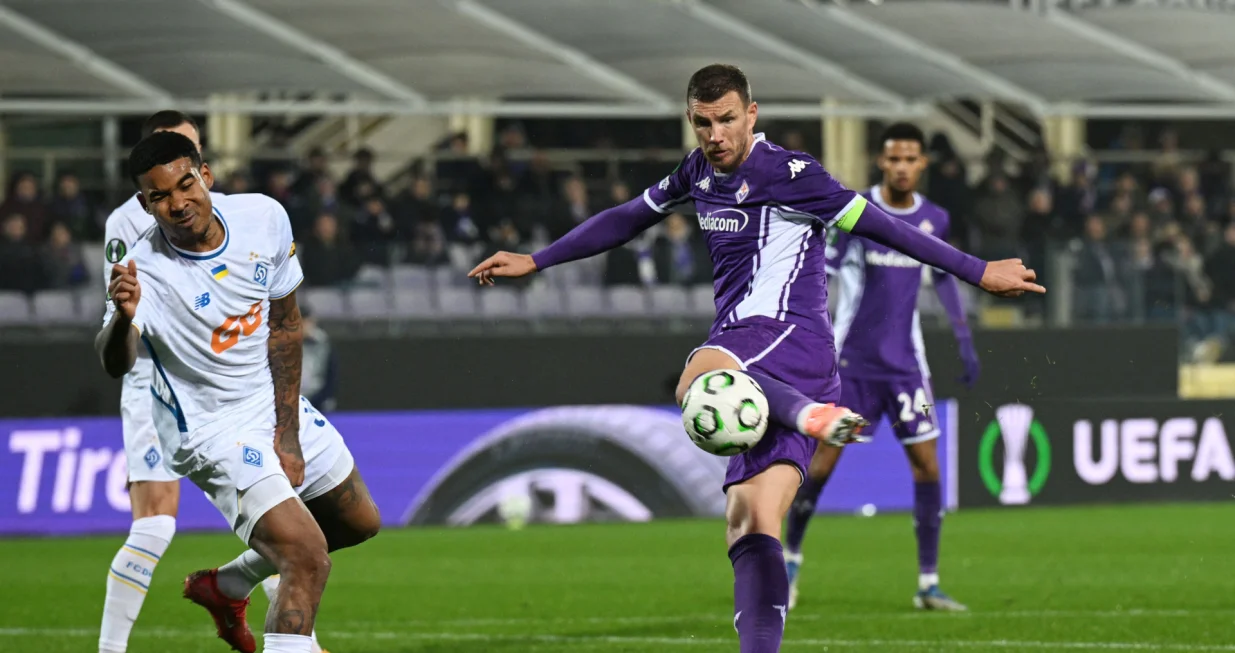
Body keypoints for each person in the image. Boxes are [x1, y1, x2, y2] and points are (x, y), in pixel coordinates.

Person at [469, 64, 1043, 653]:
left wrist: (977, 271)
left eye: (725, 120)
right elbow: (628, 219)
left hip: (783, 337)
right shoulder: (697, 170)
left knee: (696, 377)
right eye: (702, 123)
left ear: (751, 115)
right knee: (749, 523)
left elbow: (880, 225)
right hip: (771, 355)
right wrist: (537, 260)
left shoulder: (790, 173)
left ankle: (806, 416)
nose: (714, 135)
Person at [96, 131, 381, 653]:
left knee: (359, 522)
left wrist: (287, 433)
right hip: (210, 429)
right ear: (145, 203)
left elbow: (286, 324)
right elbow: (116, 362)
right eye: (160, 196)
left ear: (206, 175)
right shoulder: (145, 271)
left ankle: (225, 585)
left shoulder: (262, 218)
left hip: (266, 400)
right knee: (306, 557)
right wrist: (122, 321)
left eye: (185, 185)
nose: (178, 203)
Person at [782, 123, 980, 613]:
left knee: (928, 466)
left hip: (907, 367)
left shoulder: (935, 218)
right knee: (823, 466)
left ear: (922, 164)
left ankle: (928, 583)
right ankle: (788, 561)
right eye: (894, 159)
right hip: (852, 366)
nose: (902, 167)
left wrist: (963, 338)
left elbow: (946, 276)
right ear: (881, 162)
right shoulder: (855, 213)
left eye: (911, 159)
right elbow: (820, 278)